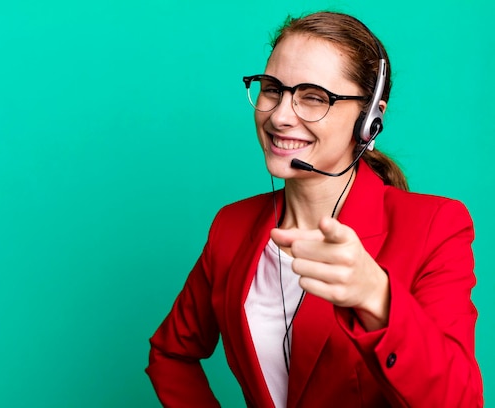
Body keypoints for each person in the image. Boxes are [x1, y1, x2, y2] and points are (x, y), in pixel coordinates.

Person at [146, 11, 483, 407]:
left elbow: (460, 400)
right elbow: (170, 353)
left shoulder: (435, 226)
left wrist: (378, 297)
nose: (280, 115)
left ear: (370, 121)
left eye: (313, 97)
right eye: (272, 88)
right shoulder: (231, 226)